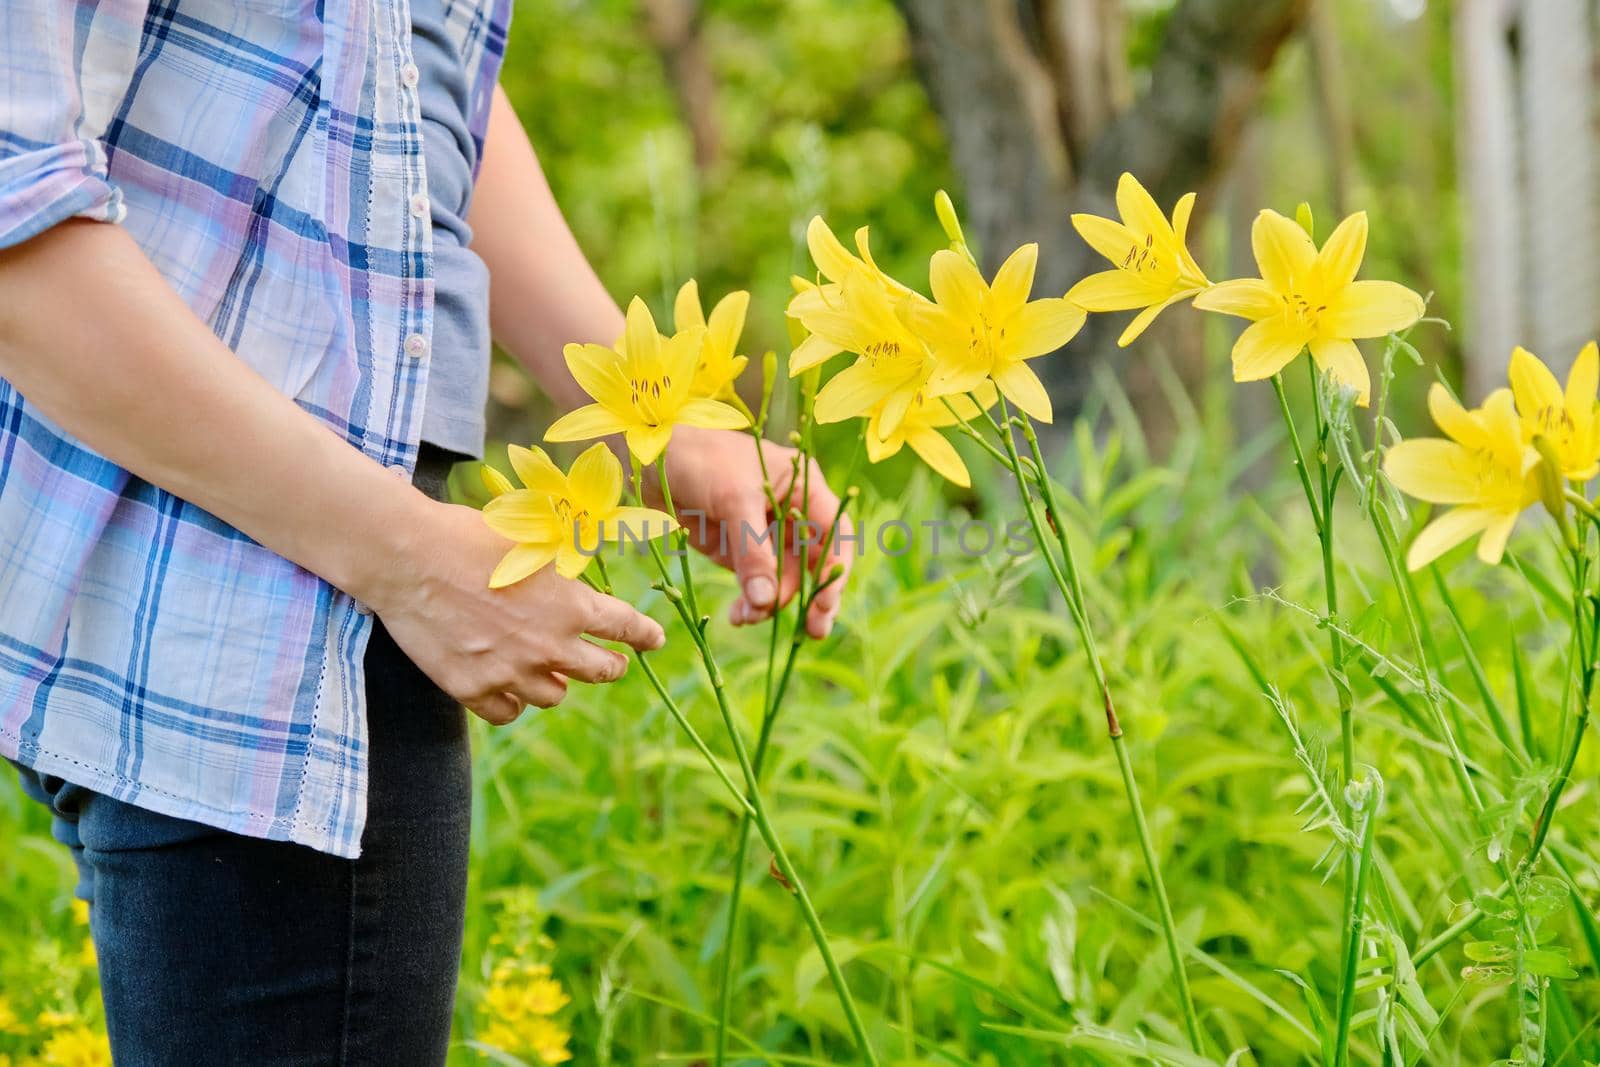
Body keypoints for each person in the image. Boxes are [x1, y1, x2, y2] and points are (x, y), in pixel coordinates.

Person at [0, 1, 851, 1062]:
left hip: (283, 564)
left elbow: (418, 75)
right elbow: (13, 213)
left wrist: (649, 415)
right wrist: (402, 558)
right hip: (284, 606)